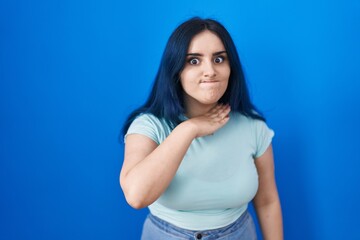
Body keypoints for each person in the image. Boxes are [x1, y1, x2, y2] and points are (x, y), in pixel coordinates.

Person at [119, 17, 283, 240]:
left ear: (230, 67)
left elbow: (267, 200)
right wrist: (190, 128)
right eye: (194, 61)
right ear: (176, 70)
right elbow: (136, 196)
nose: (210, 71)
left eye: (219, 59)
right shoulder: (149, 126)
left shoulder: (253, 127)